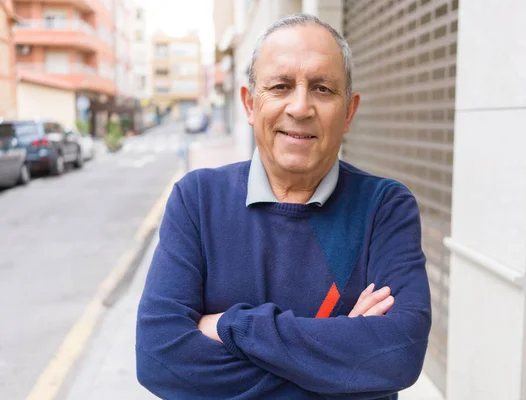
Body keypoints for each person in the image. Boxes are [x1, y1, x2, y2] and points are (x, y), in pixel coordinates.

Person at [136, 13, 431, 400]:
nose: (300, 107)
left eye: (323, 89)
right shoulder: (197, 199)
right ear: (249, 104)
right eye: (280, 86)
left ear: (349, 112)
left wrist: (232, 326)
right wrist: (339, 367)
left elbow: (397, 356)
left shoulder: (385, 208)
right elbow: (159, 359)